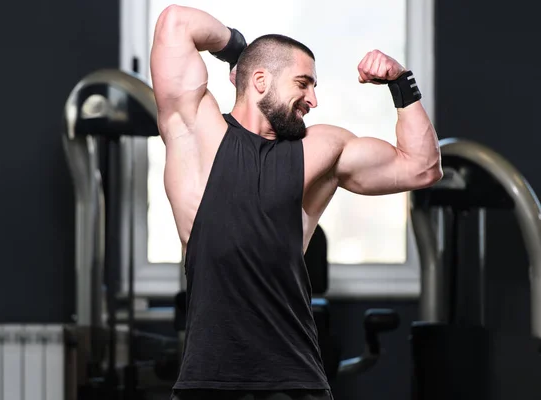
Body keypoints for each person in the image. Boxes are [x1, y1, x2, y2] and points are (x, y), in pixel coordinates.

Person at [150, 4, 442, 400]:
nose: (313, 99)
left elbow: (422, 168)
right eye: (304, 84)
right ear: (260, 80)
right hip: (208, 382)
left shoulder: (319, 148)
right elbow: (176, 22)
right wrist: (240, 48)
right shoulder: (196, 130)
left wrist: (402, 83)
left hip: (294, 384)